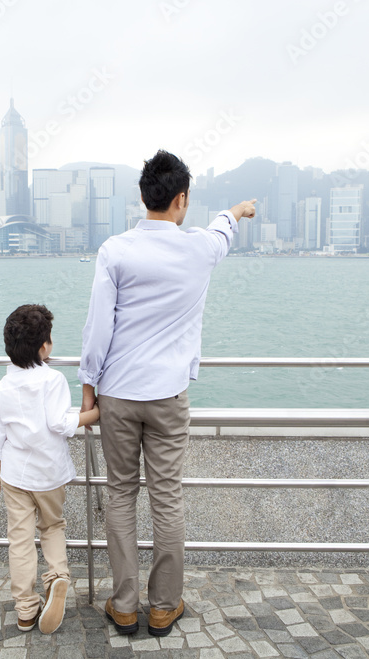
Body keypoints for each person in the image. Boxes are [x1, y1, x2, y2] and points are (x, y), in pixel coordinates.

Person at [78, 150, 256, 636]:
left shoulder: (115, 250)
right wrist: (238, 210)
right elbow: (222, 230)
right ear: (182, 200)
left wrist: (89, 388)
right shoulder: (199, 248)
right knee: (167, 497)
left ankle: (124, 604)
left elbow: (98, 327)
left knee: (119, 493)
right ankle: (163, 606)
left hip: (116, 393)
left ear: (142, 196)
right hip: (168, 397)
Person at [0, 304, 100, 635]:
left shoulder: (3, 386)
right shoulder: (53, 378)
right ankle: (57, 577)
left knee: (19, 539)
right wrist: (95, 413)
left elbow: (0, 435)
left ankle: (25, 610)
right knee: (52, 527)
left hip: (14, 475)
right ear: (44, 346)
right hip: (49, 474)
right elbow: (60, 423)